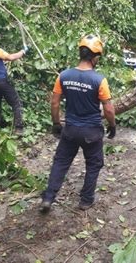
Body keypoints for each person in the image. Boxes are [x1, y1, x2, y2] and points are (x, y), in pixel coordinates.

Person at [40, 34, 116, 213]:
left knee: (60, 162)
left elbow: (54, 102)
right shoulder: (99, 80)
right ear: (95, 57)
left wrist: (56, 123)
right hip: (91, 131)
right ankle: (86, 200)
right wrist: (112, 126)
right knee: (94, 163)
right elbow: (109, 109)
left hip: (71, 130)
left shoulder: (64, 76)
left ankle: (48, 197)